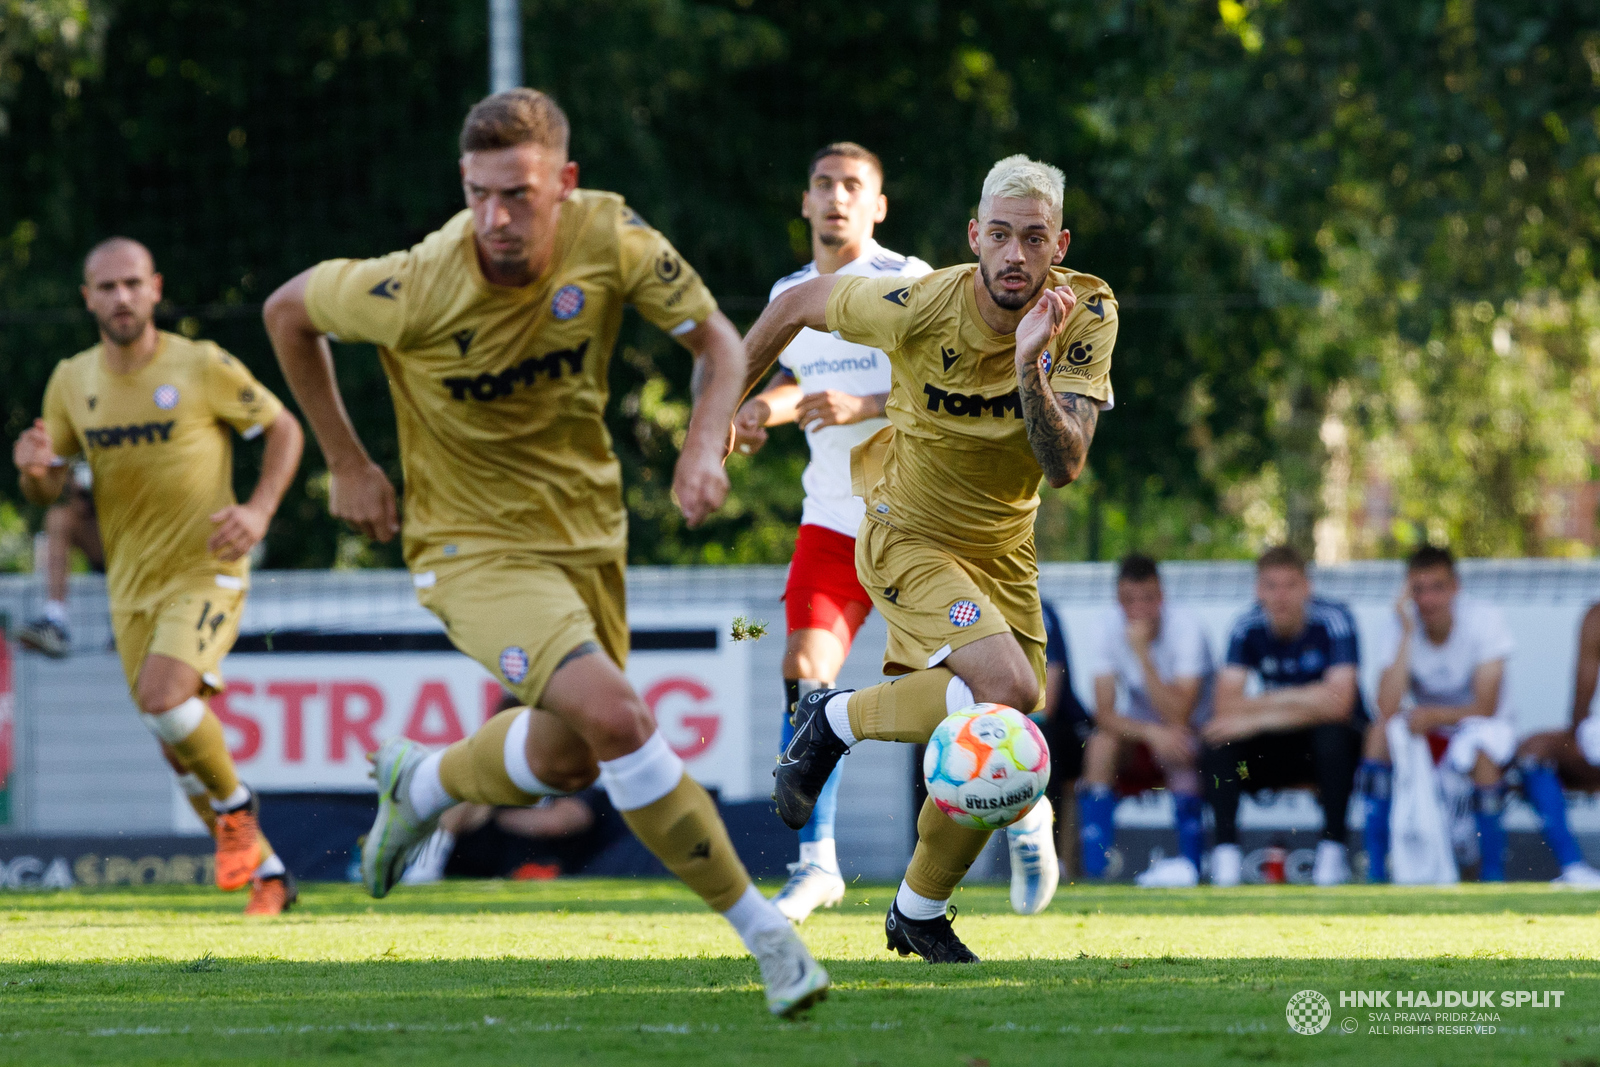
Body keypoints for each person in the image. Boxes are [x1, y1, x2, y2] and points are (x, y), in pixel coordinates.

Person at [262, 89, 828, 1017]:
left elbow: (719, 343)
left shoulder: (609, 236)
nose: (497, 217)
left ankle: (425, 780)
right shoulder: (415, 283)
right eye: (480, 193)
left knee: (570, 760)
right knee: (619, 716)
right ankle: (766, 936)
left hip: (586, 535)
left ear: (563, 184)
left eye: (518, 193)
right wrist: (347, 461)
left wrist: (700, 442)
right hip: (468, 547)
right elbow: (289, 311)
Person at [742, 154, 1117, 960]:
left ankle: (915, 908)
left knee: (1003, 727)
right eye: (1003, 236)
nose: (1017, 255)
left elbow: (1065, 462)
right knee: (1006, 689)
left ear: (1060, 245)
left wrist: (1028, 364)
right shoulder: (919, 301)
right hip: (904, 531)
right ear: (974, 236)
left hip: (1003, 552)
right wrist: (714, 419)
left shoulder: (1085, 310)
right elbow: (797, 303)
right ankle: (835, 721)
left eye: (1036, 239)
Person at [13, 238, 305, 914]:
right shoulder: (71, 380)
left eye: (132, 284)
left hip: (208, 567)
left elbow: (284, 428)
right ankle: (270, 876)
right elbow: (48, 488)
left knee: (166, 697)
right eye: (106, 287)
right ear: (88, 298)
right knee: (176, 741)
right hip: (129, 585)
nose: (120, 297)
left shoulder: (199, 364)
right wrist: (34, 471)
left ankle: (237, 810)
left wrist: (259, 510)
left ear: (155, 289)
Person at [730, 142, 931, 922]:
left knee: (980, 688)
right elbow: (798, 387)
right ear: (806, 202)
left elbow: (942, 384)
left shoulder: (907, 281)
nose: (837, 197)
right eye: (824, 185)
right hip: (830, 520)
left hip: (916, 521)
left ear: (878, 206)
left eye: (854, 186)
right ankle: (817, 863)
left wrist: (867, 404)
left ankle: (1023, 810)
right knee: (804, 669)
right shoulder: (789, 294)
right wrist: (758, 411)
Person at [1204, 545, 1362, 887]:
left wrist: (1259, 713)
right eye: (1271, 586)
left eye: (1290, 585)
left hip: (1322, 751)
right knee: (1219, 741)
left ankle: (1333, 854)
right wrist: (1308, 698)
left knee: (1333, 736)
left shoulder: (1334, 620)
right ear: (1258, 590)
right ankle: (1225, 857)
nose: (1280, 596)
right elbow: (1225, 706)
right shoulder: (1246, 626)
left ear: (1307, 587)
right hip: (1274, 751)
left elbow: (1339, 703)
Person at [1361, 545, 1517, 882]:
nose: (1428, 599)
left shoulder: (1484, 619)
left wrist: (1433, 715)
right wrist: (1406, 633)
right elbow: (1385, 708)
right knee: (1378, 735)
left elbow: (1486, 708)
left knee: (1480, 752)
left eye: (1438, 587)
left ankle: (1492, 876)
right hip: (1428, 730)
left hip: (1480, 729)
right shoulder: (1399, 624)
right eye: (1418, 589)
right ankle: (1376, 870)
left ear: (1455, 587)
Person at [1079, 553, 1213, 888]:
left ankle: (1191, 867)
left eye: (1147, 599)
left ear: (1161, 597)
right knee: (1099, 744)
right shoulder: (1104, 627)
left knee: (1178, 743)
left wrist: (1142, 654)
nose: (1138, 609)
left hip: (1192, 733)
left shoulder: (1187, 627)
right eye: (1129, 600)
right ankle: (1096, 871)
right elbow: (1104, 714)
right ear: (1117, 600)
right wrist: (1152, 733)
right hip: (1148, 734)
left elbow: (1179, 713)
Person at [1501, 608, 1600, 885]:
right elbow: (1581, 704)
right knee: (1534, 751)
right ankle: (1574, 868)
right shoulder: (1596, 617)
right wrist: (1581, 738)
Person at [16, 463, 103, 657]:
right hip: (104, 554)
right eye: (80, 496)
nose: (85, 504)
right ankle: (55, 619)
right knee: (57, 517)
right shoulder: (67, 445)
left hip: (136, 541)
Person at [1040, 597, 1092, 881]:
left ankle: (1054, 858)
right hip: (1000, 723)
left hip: (1064, 729)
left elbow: (1047, 704)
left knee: (1043, 742)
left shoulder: (1037, 609)